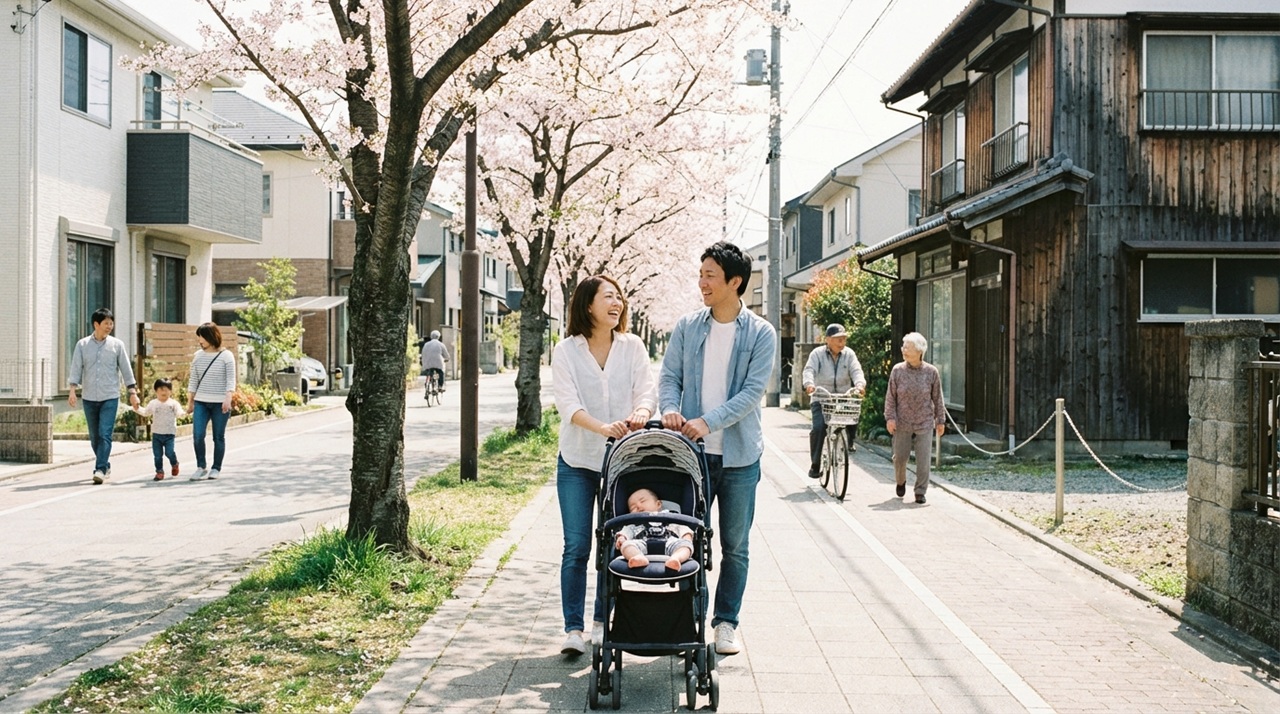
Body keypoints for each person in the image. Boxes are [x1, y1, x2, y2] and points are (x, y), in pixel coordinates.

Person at [658, 241, 776, 656]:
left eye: (710, 274)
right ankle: (685, 620)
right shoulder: (689, 327)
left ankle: (726, 622)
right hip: (691, 456)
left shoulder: (761, 333)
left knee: (735, 546)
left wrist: (708, 421)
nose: (702, 282)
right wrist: (671, 409)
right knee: (684, 539)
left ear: (735, 282)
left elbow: (751, 393)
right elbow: (669, 376)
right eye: (701, 273)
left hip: (741, 456)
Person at [551, 274, 656, 656]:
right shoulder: (566, 351)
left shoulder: (633, 346)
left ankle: (601, 621)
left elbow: (646, 390)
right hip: (577, 460)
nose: (617, 303)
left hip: (621, 463)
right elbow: (568, 404)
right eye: (608, 297)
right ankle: (573, 629)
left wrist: (643, 411)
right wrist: (603, 427)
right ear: (587, 304)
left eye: (619, 297)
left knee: (614, 543)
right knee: (576, 545)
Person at [68, 308, 140, 484]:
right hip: (89, 397)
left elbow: (126, 369)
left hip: (110, 396)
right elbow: (76, 368)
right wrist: (72, 390)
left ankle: (99, 469)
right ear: (96, 324)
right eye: (106, 323)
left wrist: (132, 393)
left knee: (105, 433)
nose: (110, 326)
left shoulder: (117, 345)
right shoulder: (82, 345)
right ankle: (105, 464)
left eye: (111, 323)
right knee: (95, 437)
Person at [884, 331, 947, 504]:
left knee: (923, 459)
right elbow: (890, 397)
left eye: (907, 347)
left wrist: (940, 420)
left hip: (924, 421)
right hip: (902, 421)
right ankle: (900, 480)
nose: (903, 349)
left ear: (919, 351)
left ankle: (920, 491)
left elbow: (937, 398)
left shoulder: (931, 372)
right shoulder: (897, 370)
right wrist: (890, 418)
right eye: (903, 346)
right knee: (900, 457)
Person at [802, 323, 867, 479]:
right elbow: (809, 370)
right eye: (838, 339)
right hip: (822, 398)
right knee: (818, 428)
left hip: (842, 397)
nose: (842, 342)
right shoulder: (817, 354)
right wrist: (809, 384)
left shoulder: (849, 354)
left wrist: (859, 384)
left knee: (854, 413)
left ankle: (850, 441)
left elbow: (856, 370)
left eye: (844, 339)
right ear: (828, 340)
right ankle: (816, 464)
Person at [186, 323, 237, 481]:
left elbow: (230, 380)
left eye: (202, 336)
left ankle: (216, 468)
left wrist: (228, 398)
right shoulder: (198, 356)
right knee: (197, 435)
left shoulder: (226, 356)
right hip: (201, 401)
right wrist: (190, 402)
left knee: (218, 437)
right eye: (199, 337)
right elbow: (193, 380)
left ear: (211, 336)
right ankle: (201, 467)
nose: (200, 340)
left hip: (220, 403)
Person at [614, 488, 694, 571]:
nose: (638, 506)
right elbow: (627, 530)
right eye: (633, 507)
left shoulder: (670, 516)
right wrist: (622, 537)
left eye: (643, 501)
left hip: (670, 542)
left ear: (658, 504)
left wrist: (686, 536)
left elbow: (681, 527)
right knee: (626, 545)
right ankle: (636, 557)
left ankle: (676, 558)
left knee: (685, 546)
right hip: (641, 544)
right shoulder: (635, 522)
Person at [133, 378, 183, 481]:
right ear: (156, 391)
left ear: (170, 391)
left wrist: (186, 413)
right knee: (157, 456)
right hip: (156, 434)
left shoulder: (173, 404)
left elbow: (179, 413)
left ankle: (174, 463)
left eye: (166, 389)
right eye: (161, 389)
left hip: (169, 434)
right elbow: (146, 412)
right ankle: (159, 472)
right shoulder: (153, 403)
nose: (164, 392)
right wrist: (137, 408)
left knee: (169, 452)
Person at [420, 330, 449, 395]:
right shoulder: (441, 344)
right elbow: (446, 355)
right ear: (438, 336)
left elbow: (423, 353)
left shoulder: (426, 344)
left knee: (430, 372)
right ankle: (440, 386)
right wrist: (447, 359)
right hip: (438, 363)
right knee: (440, 373)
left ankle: (429, 384)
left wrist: (423, 361)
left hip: (428, 362)